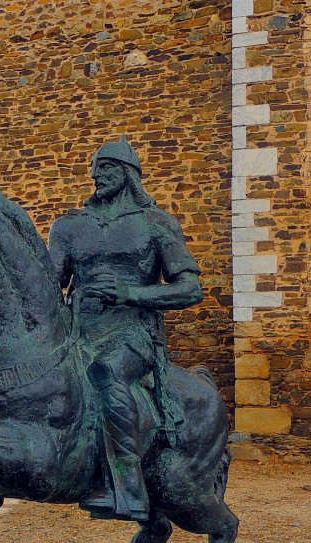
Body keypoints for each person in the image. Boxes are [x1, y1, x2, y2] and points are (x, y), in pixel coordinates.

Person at [48, 136, 203, 522]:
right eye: (95, 168)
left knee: (107, 371)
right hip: (77, 331)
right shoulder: (70, 226)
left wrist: (129, 293)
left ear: (129, 174)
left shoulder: (156, 225)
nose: (97, 175)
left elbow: (190, 288)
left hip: (132, 334)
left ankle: (127, 485)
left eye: (107, 168)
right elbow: (50, 284)